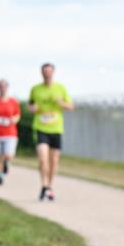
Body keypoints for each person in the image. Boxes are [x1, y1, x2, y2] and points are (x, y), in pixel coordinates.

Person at [28, 63, 73, 201]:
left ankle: (50, 186)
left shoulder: (60, 88)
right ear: (41, 73)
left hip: (56, 128)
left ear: (53, 72)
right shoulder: (35, 89)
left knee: (54, 160)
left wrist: (61, 103)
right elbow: (30, 105)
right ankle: (44, 185)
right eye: (44, 71)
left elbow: (71, 106)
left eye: (49, 71)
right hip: (41, 127)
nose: (47, 74)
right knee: (43, 159)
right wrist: (32, 108)